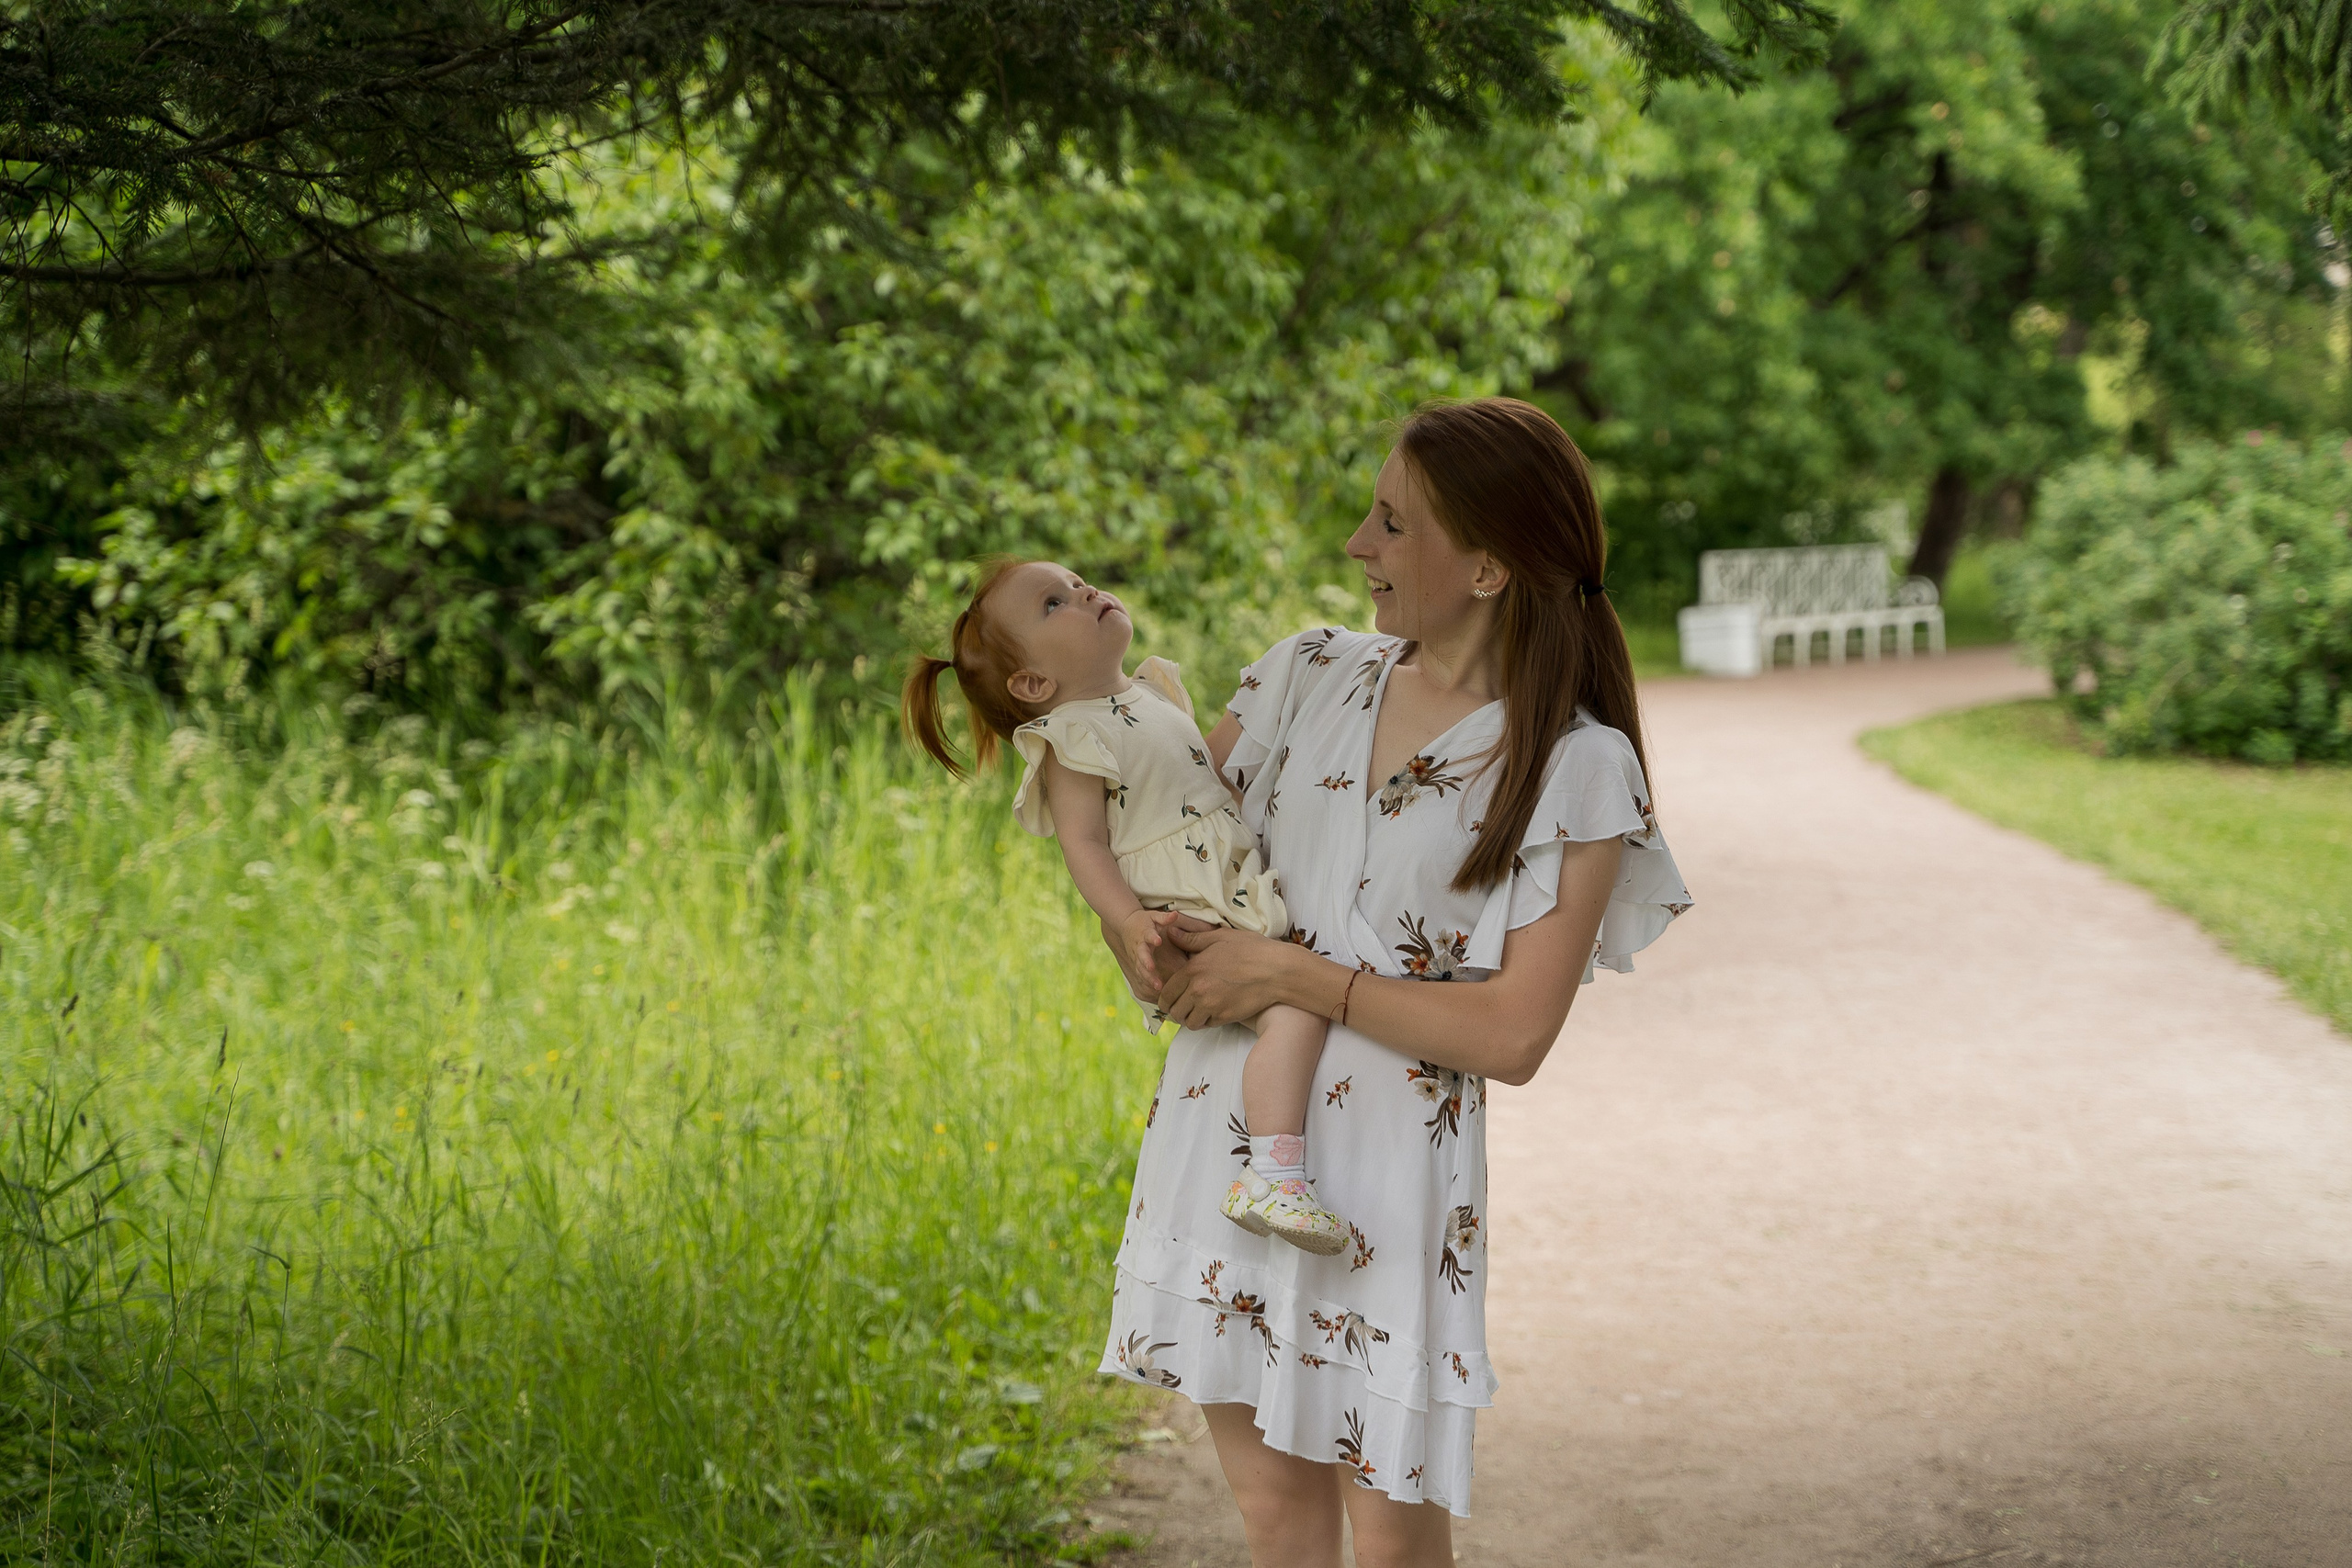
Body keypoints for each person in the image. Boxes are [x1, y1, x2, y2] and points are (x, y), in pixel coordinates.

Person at [1098, 397, 1693, 1564]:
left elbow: (1516, 1036)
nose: (1357, 547)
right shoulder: (1305, 673)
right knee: (1273, 1514)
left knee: (1394, 1538)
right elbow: (1172, 835)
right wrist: (1139, 926)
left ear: (1487, 566)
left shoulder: (1573, 765)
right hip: (1224, 1136)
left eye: (1390, 524)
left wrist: (1295, 975)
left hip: (1384, 1187)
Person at [902, 558, 1358, 1255]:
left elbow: (1195, 780)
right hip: (1184, 905)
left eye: (1077, 580)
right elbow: (1084, 844)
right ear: (1033, 683)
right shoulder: (1072, 737)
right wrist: (1128, 920)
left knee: (1291, 1001)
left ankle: (1274, 1165)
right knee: (1292, 1008)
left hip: (1223, 878)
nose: (1084, 591)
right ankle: (1274, 1171)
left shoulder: (1153, 692)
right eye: (1055, 603)